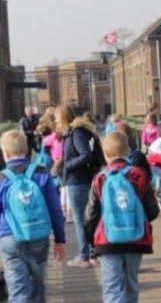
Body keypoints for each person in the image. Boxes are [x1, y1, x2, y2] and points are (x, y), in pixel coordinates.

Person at [0, 130, 67, 303]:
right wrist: (60, 239)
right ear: (27, 149)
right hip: (38, 236)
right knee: (37, 288)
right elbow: (55, 208)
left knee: (18, 290)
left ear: (4, 153)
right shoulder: (42, 173)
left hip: (9, 239)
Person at [85, 132, 159, 303]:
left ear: (105, 153)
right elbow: (153, 210)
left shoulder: (100, 178)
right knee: (131, 285)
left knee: (112, 288)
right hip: (136, 240)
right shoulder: (139, 175)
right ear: (128, 150)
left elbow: (90, 215)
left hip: (107, 241)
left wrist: (92, 241)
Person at [58, 105, 100, 268]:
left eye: (56, 118)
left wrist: (67, 166)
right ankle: (91, 253)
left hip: (78, 180)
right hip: (77, 179)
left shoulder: (76, 133)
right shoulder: (72, 133)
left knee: (80, 219)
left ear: (62, 118)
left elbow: (85, 155)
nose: (55, 122)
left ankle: (84, 256)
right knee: (84, 218)